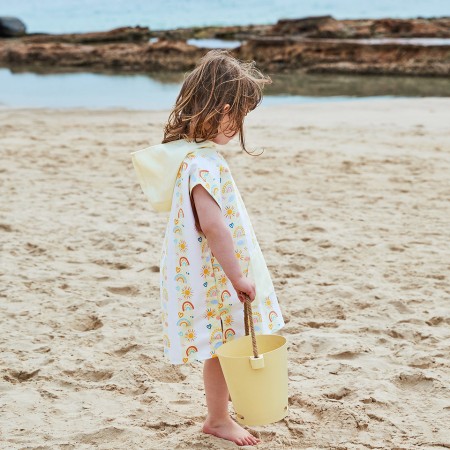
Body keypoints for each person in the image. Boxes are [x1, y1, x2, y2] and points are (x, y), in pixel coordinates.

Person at [130, 49, 285, 447]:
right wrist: (237, 275)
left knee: (226, 341)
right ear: (223, 110)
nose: (240, 126)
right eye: (240, 116)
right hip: (217, 274)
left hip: (210, 270)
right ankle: (217, 418)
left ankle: (226, 404)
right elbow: (213, 225)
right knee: (221, 347)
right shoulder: (203, 164)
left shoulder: (191, 156)